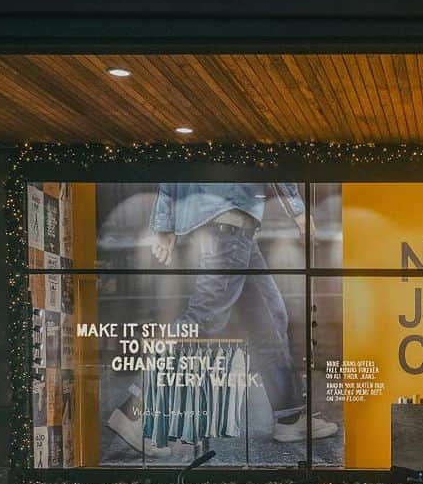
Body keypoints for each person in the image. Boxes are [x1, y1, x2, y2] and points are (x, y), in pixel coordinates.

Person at [107, 181, 337, 452]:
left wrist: (164, 222)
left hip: (232, 224)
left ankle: (290, 415)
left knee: (270, 316)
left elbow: (172, 168)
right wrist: (297, 209)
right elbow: (269, 158)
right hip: (229, 219)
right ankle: (139, 411)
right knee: (203, 319)